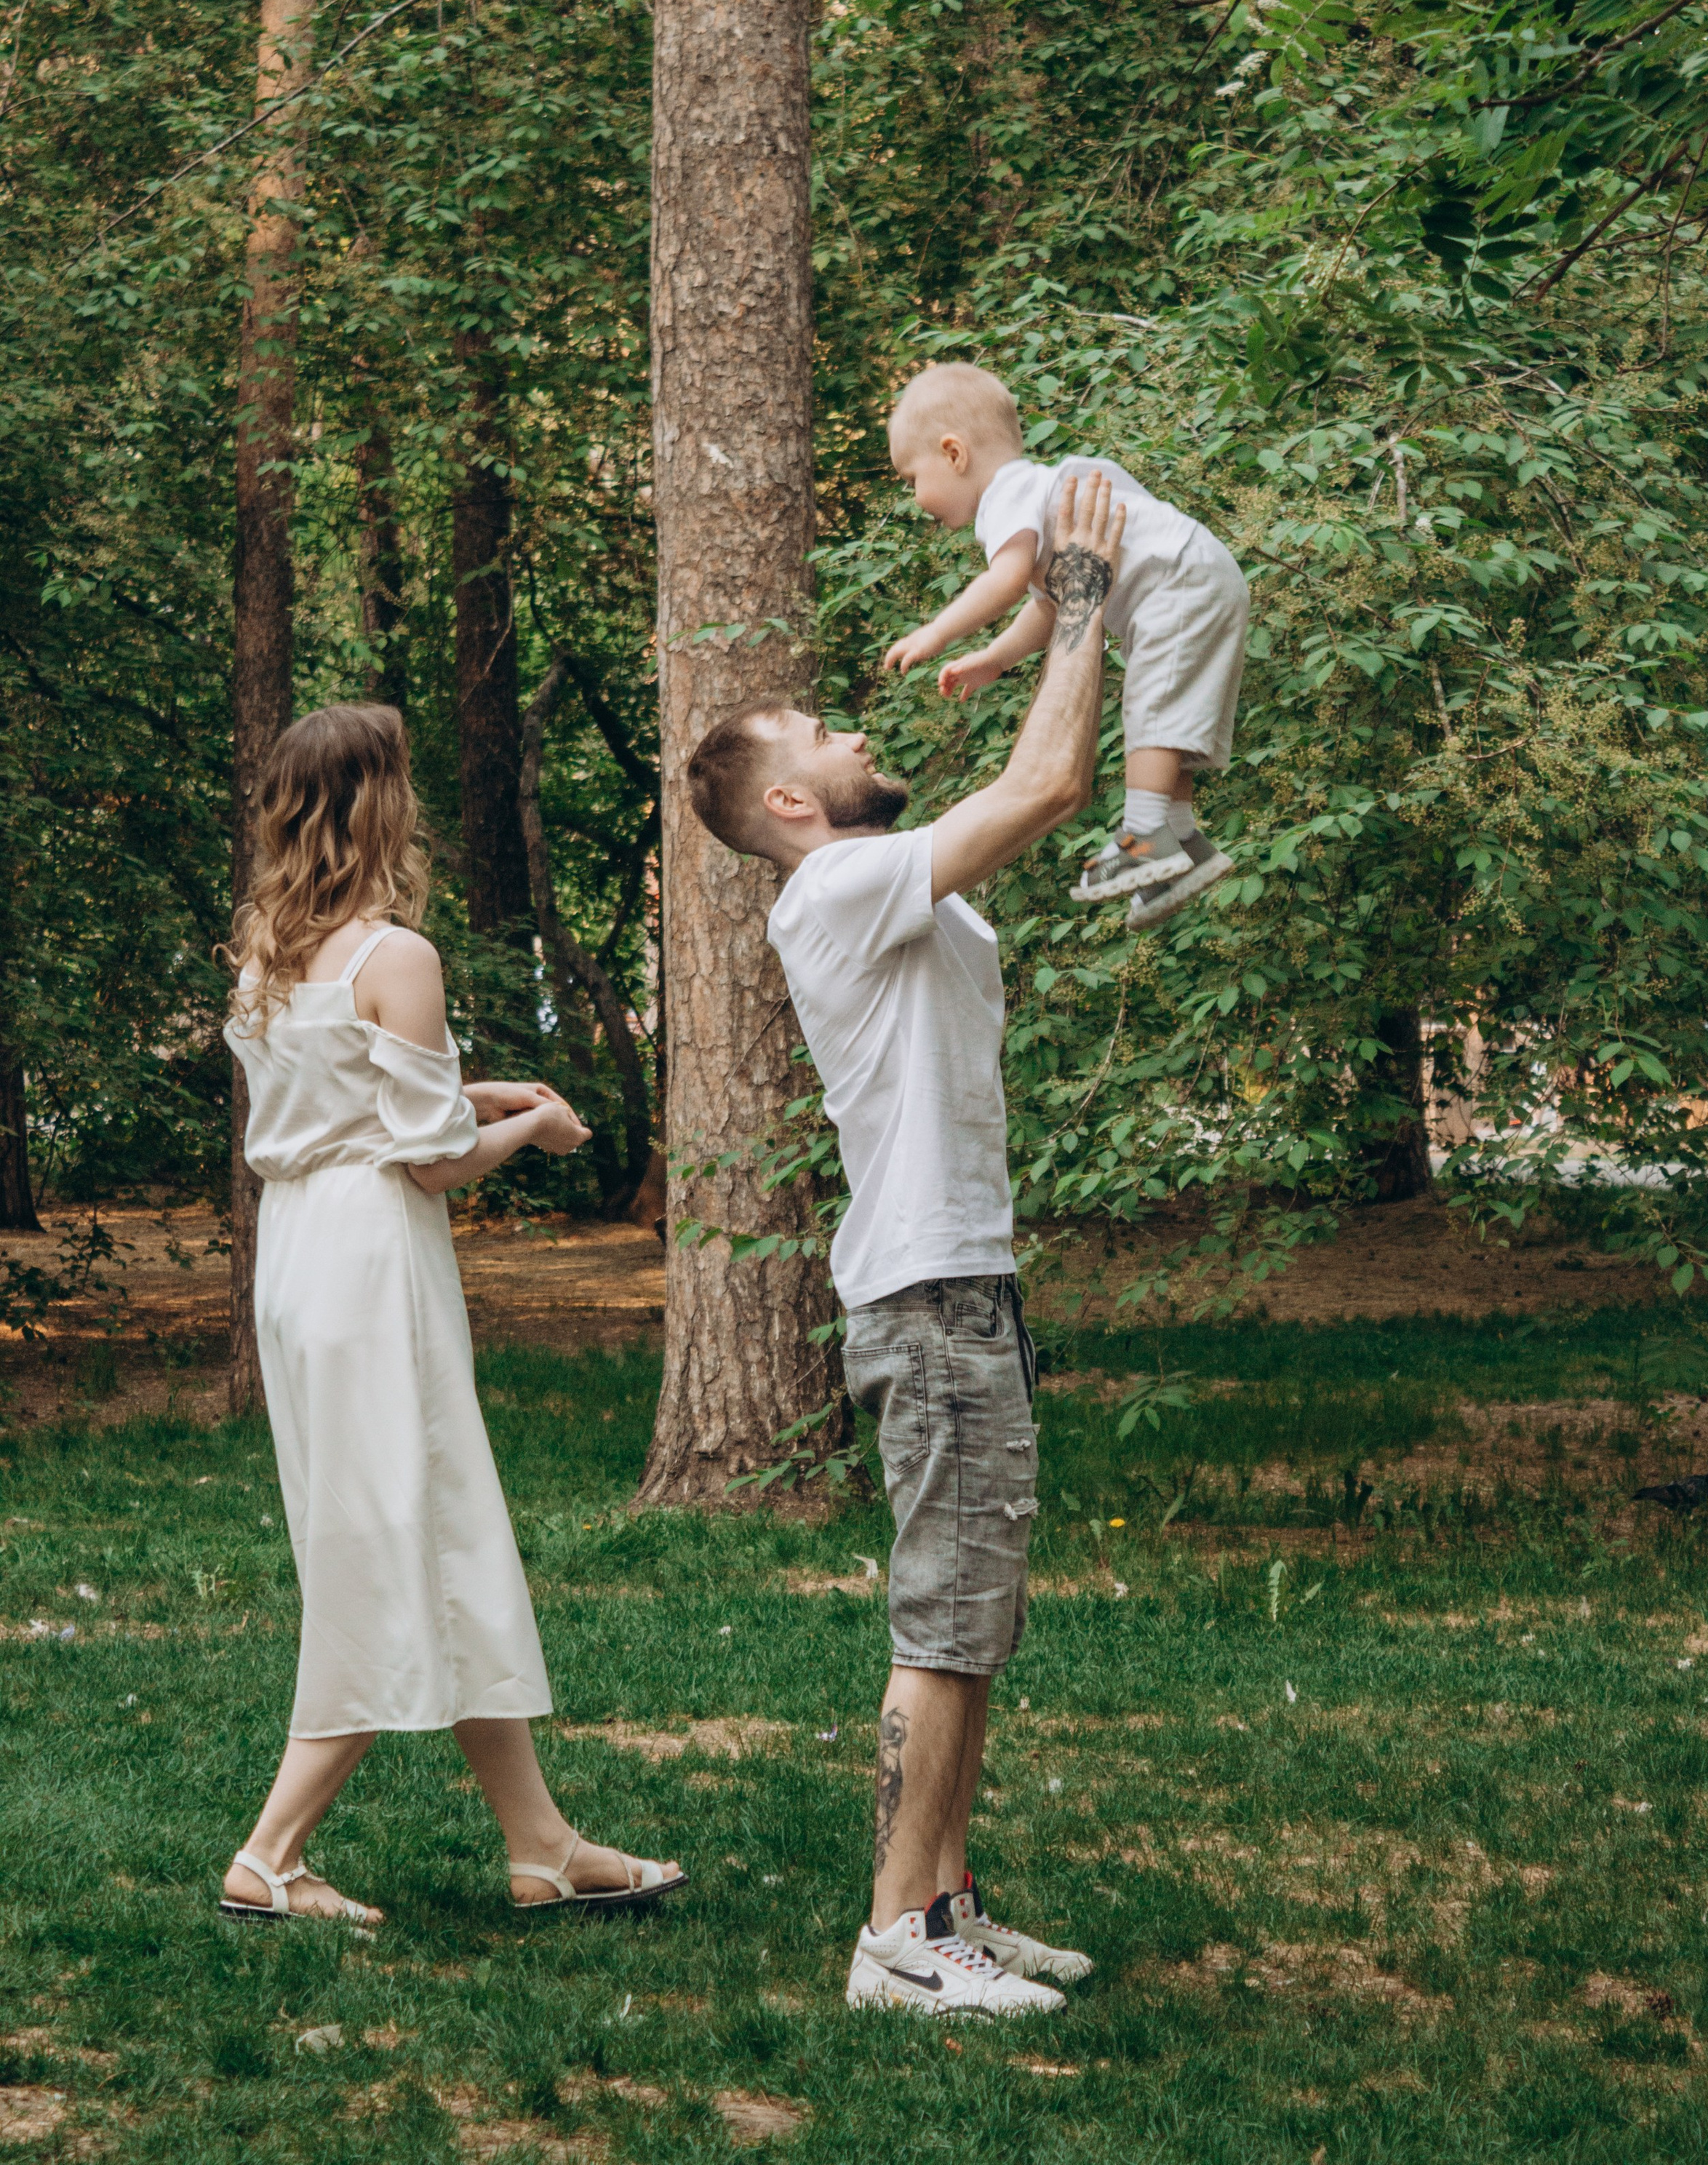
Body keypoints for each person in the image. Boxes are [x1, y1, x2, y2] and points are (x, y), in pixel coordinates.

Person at [685, 471, 1124, 2020]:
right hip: (928, 1292)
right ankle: (895, 1941)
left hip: (960, 1280)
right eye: (823, 733)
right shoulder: (838, 883)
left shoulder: (869, 881)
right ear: (790, 803)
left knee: (975, 1607)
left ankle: (945, 1900)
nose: (852, 732)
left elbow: (1020, 792)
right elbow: (1046, 787)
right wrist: (1076, 603)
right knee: (942, 1613)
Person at [218, 703, 685, 1928]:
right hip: (375, 1260)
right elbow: (428, 1160)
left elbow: (343, 1096)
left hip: (300, 1257)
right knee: (395, 1543)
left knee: (436, 1534)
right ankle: (272, 1852)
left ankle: (543, 1844)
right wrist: (534, 1126)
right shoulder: (396, 954)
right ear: (380, 804)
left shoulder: (269, 942)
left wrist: (468, 1087)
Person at [881, 360, 1249, 927]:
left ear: (954, 454)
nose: (916, 498)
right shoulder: (1038, 497)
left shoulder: (1008, 494)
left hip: (1178, 582)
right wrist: (998, 657)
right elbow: (1050, 605)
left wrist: (936, 632)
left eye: (912, 479)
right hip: (1195, 575)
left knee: (1150, 708)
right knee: (1162, 718)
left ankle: (1147, 832)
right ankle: (1180, 843)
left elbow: (1007, 582)